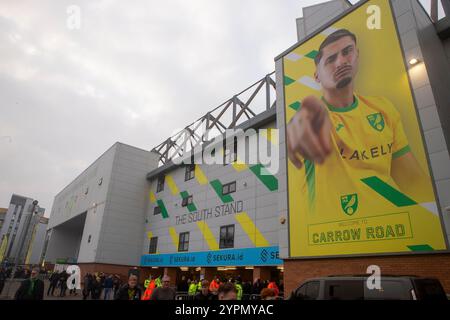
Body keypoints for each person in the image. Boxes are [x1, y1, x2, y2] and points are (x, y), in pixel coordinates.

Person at [286, 28, 434, 216]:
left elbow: (412, 180)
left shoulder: (382, 108)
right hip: (329, 234)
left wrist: (432, 221)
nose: (341, 61)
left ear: (357, 54)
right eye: (330, 60)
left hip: (393, 228)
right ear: (317, 76)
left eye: (347, 51)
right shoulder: (313, 120)